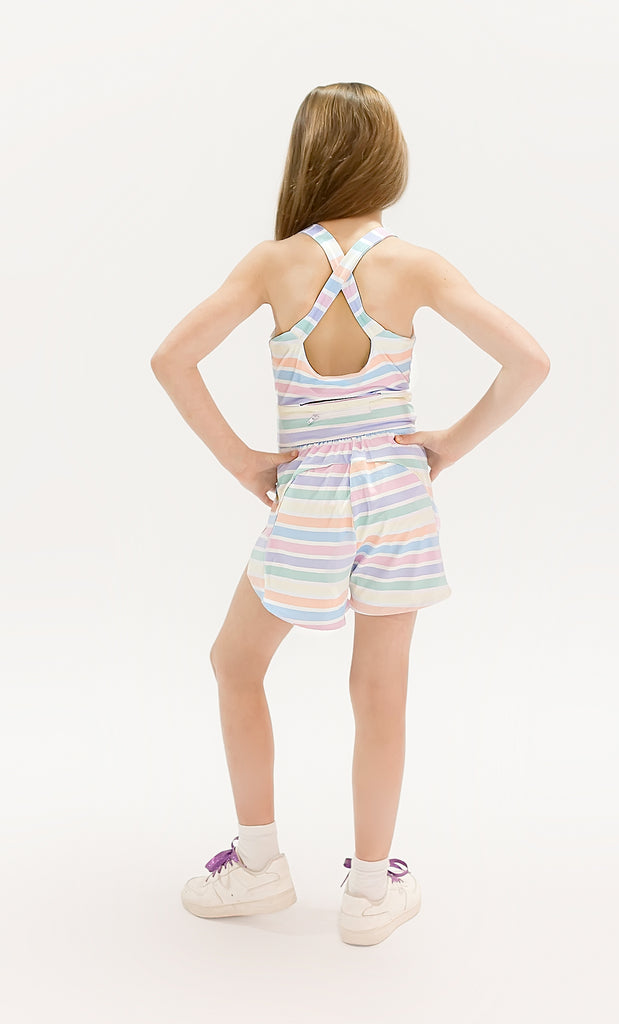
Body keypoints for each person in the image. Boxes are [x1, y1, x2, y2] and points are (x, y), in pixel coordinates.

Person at [150, 82, 550, 946]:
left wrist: (243, 460)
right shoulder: (415, 265)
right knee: (379, 689)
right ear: (388, 159)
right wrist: (448, 446)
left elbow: (171, 358)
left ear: (306, 156)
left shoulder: (273, 264)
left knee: (235, 662)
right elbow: (528, 361)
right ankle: (370, 891)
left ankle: (259, 862)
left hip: (312, 499)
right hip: (399, 495)